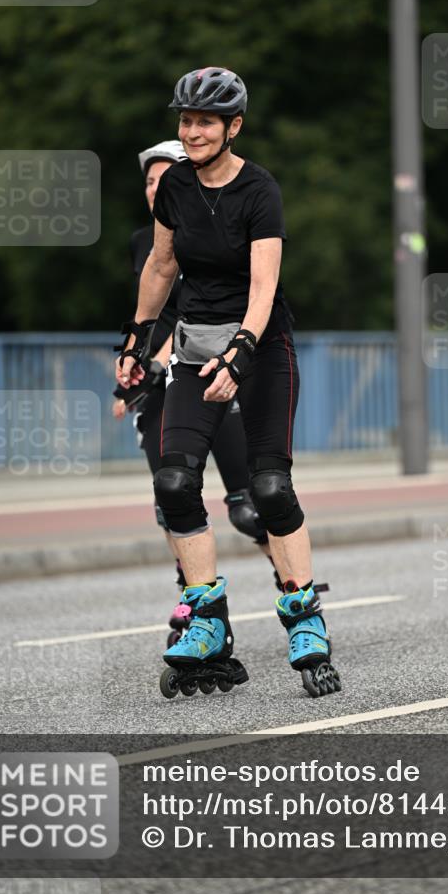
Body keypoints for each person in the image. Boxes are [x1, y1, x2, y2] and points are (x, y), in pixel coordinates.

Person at [116, 67, 341, 699]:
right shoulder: (175, 189)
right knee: (174, 481)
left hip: (262, 349)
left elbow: (265, 283)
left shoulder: (259, 189)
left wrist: (241, 352)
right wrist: (136, 340)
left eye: (204, 122)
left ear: (232, 127)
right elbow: (161, 265)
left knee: (268, 486)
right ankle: (207, 620)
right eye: (184, 121)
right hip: (194, 348)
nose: (190, 132)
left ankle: (304, 616)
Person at [112, 139, 272, 647]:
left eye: (165, 177)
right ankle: (196, 598)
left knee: (250, 506)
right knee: (172, 494)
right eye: (149, 180)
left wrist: (161, 363)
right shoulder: (145, 240)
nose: (156, 187)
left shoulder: (206, 233)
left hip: (205, 372)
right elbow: (148, 312)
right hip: (159, 389)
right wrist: (131, 371)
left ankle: (290, 578)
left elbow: (194, 311)